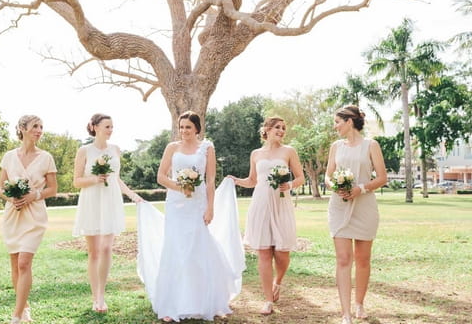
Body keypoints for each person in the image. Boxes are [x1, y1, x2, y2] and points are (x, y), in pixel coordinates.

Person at [136, 111, 245, 322]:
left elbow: (210, 179)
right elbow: (160, 176)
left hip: (198, 203)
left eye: (188, 127)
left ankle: (208, 301)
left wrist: (210, 207)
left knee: (198, 246)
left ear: (197, 128)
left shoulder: (207, 147)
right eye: (181, 127)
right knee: (176, 247)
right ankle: (172, 303)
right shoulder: (172, 148)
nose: (184, 131)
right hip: (176, 205)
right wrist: (180, 186)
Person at [228, 116, 305, 315]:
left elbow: (300, 178)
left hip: (281, 203)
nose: (281, 130)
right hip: (261, 203)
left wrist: (289, 184)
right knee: (263, 251)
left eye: (283, 128)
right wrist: (236, 180)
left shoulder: (289, 151)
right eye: (277, 127)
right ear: (267, 129)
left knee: (281, 252)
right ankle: (268, 301)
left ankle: (277, 282)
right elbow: (253, 180)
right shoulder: (255, 154)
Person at [72, 113, 143, 313]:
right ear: (94, 127)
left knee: (106, 248)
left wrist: (132, 195)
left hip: (111, 201)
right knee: (94, 251)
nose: (110, 130)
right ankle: (95, 297)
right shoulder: (84, 151)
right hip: (91, 201)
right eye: (107, 126)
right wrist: (95, 178)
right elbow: (76, 181)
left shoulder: (116, 150)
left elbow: (116, 179)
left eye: (112, 126)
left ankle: (102, 295)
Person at [324, 105, 387, 324]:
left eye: (337, 122)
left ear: (349, 121)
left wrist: (360, 188)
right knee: (343, 259)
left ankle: (359, 304)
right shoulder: (335, 147)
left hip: (365, 206)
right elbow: (328, 176)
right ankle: (346, 313)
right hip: (339, 206)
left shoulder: (371, 145)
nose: (335, 127)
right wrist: (335, 186)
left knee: (362, 259)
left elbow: (382, 177)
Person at [0, 115, 58, 324]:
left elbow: (53, 189)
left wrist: (34, 195)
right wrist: (11, 198)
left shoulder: (46, 157)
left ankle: (15, 316)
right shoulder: (9, 156)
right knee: (15, 264)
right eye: (35, 126)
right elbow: (0, 187)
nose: (39, 130)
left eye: (41, 126)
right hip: (13, 215)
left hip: (35, 215)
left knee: (24, 262)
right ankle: (24, 308)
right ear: (22, 129)